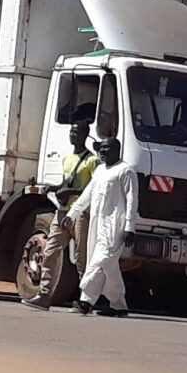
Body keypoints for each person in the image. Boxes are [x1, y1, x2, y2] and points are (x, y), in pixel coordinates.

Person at [66, 134, 136, 317]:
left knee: (101, 260)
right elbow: (87, 195)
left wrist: (130, 227)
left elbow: (131, 200)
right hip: (98, 224)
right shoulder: (99, 171)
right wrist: (71, 214)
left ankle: (86, 301)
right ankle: (119, 305)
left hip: (116, 226)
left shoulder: (125, 171)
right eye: (101, 148)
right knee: (108, 266)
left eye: (107, 148)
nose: (103, 152)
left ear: (117, 150)